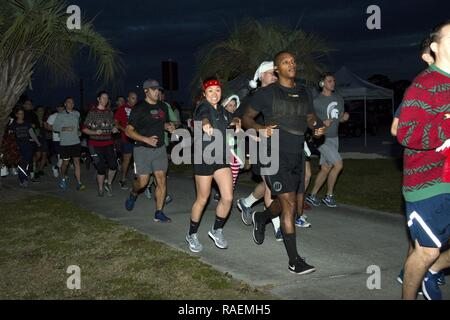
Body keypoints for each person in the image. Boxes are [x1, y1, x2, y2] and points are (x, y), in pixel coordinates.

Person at [243, 51, 325, 274]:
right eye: (286, 62)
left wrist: (317, 125)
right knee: (288, 204)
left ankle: (262, 216)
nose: (292, 64)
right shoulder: (266, 93)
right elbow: (246, 119)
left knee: (288, 203)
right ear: (277, 69)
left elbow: (309, 117)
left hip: (296, 153)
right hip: (273, 153)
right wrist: (261, 129)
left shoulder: (304, 92)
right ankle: (294, 261)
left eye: (294, 61)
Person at [397, 21, 450, 300]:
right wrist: (445, 125)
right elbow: (405, 133)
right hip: (428, 182)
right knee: (427, 250)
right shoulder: (424, 84)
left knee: (434, 254)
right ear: (435, 46)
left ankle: (432, 271)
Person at [185, 78, 240, 253]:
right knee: (203, 198)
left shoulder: (223, 110)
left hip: (221, 159)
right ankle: (191, 234)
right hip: (204, 158)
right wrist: (206, 125)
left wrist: (237, 121)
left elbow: (233, 118)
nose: (214, 94)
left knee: (228, 197)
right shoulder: (202, 106)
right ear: (204, 93)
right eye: (210, 91)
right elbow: (203, 117)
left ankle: (217, 230)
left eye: (217, 90)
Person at [236, 61, 284, 240]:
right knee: (272, 185)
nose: (274, 76)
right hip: (259, 144)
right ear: (261, 75)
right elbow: (239, 119)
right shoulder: (253, 96)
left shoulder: (279, 95)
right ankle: (279, 227)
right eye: (271, 73)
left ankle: (246, 202)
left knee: (268, 184)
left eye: (276, 73)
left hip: (278, 144)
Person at [124, 79, 175, 223]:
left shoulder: (162, 106)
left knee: (161, 179)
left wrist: (168, 126)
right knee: (143, 183)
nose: (157, 92)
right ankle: (133, 194)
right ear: (146, 91)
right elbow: (128, 131)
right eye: (154, 89)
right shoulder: (139, 108)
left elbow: (161, 122)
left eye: (158, 89)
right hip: (142, 150)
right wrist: (145, 139)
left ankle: (159, 212)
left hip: (159, 149)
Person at [306, 73, 349, 208]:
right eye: (329, 81)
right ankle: (329, 196)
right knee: (338, 164)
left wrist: (344, 118)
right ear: (322, 84)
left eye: (334, 81)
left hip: (334, 137)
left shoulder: (339, 98)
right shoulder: (316, 101)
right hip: (322, 138)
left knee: (326, 168)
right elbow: (309, 120)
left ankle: (312, 196)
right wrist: (321, 123)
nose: (333, 83)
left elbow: (339, 118)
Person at [82, 91, 119, 197]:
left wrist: (114, 129)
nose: (105, 100)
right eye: (103, 98)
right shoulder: (92, 113)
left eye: (107, 98)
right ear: (98, 99)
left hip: (108, 143)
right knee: (101, 167)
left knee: (113, 165)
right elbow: (84, 129)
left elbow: (111, 125)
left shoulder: (109, 112)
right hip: (95, 144)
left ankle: (109, 183)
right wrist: (94, 132)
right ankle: (100, 188)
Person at [52, 97, 84, 191]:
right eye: (69, 102)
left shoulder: (77, 114)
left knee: (77, 162)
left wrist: (79, 133)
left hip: (76, 142)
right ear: (65, 104)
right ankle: (62, 179)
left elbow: (77, 126)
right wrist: (65, 128)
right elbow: (55, 128)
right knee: (65, 163)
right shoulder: (60, 115)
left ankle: (79, 182)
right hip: (65, 143)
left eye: (72, 102)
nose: (71, 104)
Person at [8, 107, 41, 187]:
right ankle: (23, 179)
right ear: (16, 115)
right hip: (18, 147)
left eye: (22, 113)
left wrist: (37, 142)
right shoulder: (13, 124)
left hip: (27, 146)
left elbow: (32, 134)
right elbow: (10, 136)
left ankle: (24, 179)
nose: (21, 115)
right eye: (19, 114)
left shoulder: (27, 124)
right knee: (21, 164)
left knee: (26, 163)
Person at [114, 91, 138, 189]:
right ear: (128, 98)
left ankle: (138, 178)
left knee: (138, 159)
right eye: (133, 98)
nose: (135, 100)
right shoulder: (122, 108)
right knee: (127, 160)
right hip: (127, 138)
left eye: (136, 98)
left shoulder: (138, 108)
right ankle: (123, 179)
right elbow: (116, 123)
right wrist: (125, 130)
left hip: (138, 137)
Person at [46, 104, 65, 178]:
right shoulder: (52, 116)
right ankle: (56, 168)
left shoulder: (66, 115)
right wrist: (57, 129)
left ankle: (61, 171)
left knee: (64, 157)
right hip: (57, 139)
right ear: (57, 108)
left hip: (66, 139)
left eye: (62, 107)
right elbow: (48, 127)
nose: (60, 109)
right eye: (59, 107)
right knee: (60, 158)